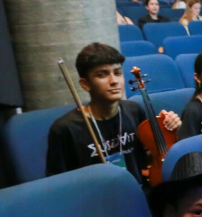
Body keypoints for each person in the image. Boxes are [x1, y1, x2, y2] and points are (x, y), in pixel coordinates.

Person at [46, 43, 181, 184]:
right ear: (85, 84)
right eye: (102, 75)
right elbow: (58, 183)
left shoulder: (134, 110)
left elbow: (148, 158)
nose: (114, 81)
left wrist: (169, 129)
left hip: (137, 190)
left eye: (117, 73)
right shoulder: (65, 129)